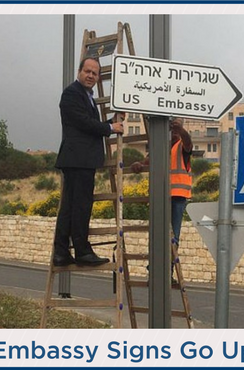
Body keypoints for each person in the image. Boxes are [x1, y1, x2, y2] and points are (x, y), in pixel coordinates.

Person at [52, 57, 124, 267]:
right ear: (79, 71)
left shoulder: (86, 96)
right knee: (80, 206)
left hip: (79, 158)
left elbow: (90, 124)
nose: (91, 75)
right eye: (87, 71)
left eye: (94, 73)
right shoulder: (72, 93)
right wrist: (110, 129)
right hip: (78, 158)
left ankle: (61, 252)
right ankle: (82, 251)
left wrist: (112, 123)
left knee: (70, 206)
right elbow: (83, 123)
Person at [130, 117, 193, 246]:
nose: (174, 131)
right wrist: (139, 164)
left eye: (177, 128)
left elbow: (188, 143)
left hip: (177, 195)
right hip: (160, 194)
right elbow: (146, 161)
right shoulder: (161, 145)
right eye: (173, 127)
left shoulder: (181, 145)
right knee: (158, 232)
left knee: (173, 235)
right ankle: (155, 264)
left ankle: (169, 262)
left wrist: (181, 130)